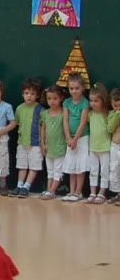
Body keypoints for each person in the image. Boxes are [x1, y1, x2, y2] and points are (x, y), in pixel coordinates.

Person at [10, 78, 44, 198]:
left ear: (37, 95)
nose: (29, 96)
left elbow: (43, 128)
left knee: (34, 166)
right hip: (22, 143)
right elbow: (17, 123)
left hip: (35, 144)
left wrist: (42, 144)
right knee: (22, 165)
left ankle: (27, 187)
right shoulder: (19, 108)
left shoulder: (40, 110)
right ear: (23, 94)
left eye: (32, 93)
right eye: (26, 93)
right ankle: (19, 185)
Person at [60, 73, 90, 202]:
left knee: (80, 166)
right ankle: (71, 191)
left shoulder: (85, 103)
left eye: (77, 88)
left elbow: (83, 122)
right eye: (71, 88)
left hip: (81, 138)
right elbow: (65, 120)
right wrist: (68, 138)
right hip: (70, 139)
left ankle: (79, 192)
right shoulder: (66, 102)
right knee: (72, 166)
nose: (74, 91)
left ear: (82, 88)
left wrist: (75, 139)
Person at [39, 86, 67, 200]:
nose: (52, 101)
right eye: (49, 98)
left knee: (58, 171)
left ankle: (52, 191)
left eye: (55, 98)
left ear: (61, 98)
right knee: (50, 171)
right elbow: (43, 129)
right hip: (48, 147)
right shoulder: (45, 113)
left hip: (60, 147)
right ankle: (49, 190)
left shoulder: (64, 113)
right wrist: (42, 144)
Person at [84, 83, 111, 204]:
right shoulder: (90, 114)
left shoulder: (107, 114)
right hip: (93, 147)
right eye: (91, 100)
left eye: (96, 101)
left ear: (103, 100)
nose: (93, 103)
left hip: (105, 147)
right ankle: (92, 192)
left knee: (104, 171)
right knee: (93, 171)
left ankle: (102, 193)